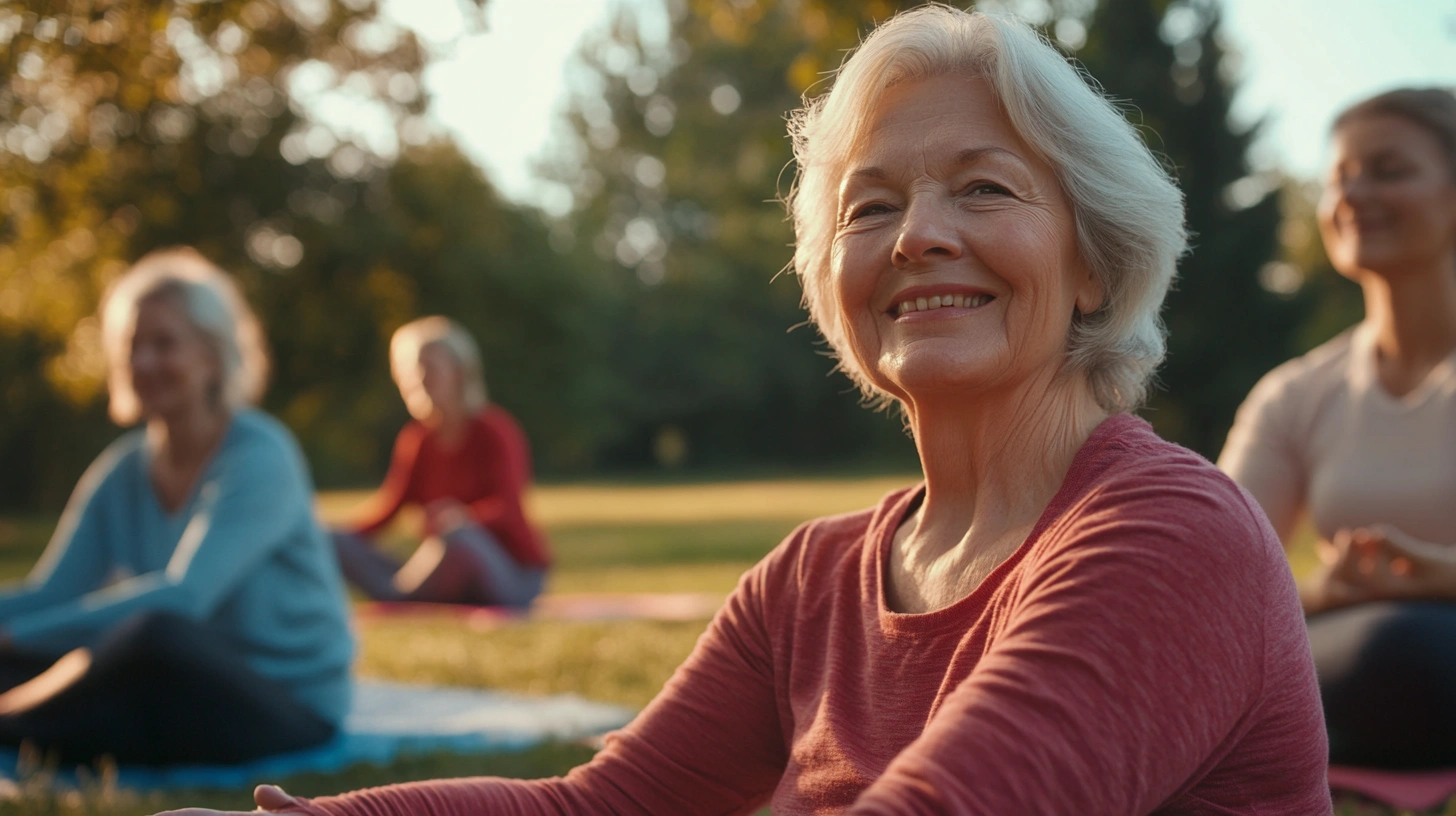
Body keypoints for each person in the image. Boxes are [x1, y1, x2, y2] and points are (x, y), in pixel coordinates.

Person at [160, 7, 1330, 814]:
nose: (918, 233)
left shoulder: (1169, 536)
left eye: (982, 186)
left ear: (1094, 263)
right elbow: (603, 804)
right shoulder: (811, 581)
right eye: (870, 207)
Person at [0, 248, 353, 766]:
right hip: (163, 684)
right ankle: (31, 720)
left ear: (213, 354)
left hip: (284, 703)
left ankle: (14, 724)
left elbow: (184, 600)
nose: (143, 362)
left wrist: (13, 638)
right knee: (95, 654)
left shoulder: (261, 456)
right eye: (132, 346)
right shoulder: (120, 470)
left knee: (153, 631)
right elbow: (53, 592)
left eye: (164, 344)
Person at [1219, 87, 1456, 769]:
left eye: (1388, 170)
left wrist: (1443, 579)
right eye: (1337, 179)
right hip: (1349, 657)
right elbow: (1214, 580)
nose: (1353, 195)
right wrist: (1330, 591)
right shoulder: (1295, 394)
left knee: (1407, 652)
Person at [331, 316, 549, 609]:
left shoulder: (495, 431)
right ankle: (403, 593)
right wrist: (336, 536)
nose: (419, 378)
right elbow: (388, 510)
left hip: (511, 574)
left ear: (459, 373)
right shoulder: (416, 440)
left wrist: (463, 517)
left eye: (429, 368)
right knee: (329, 539)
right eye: (411, 370)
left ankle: (400, 597)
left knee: (458, 538)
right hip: (440, 565)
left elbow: (509, 508)